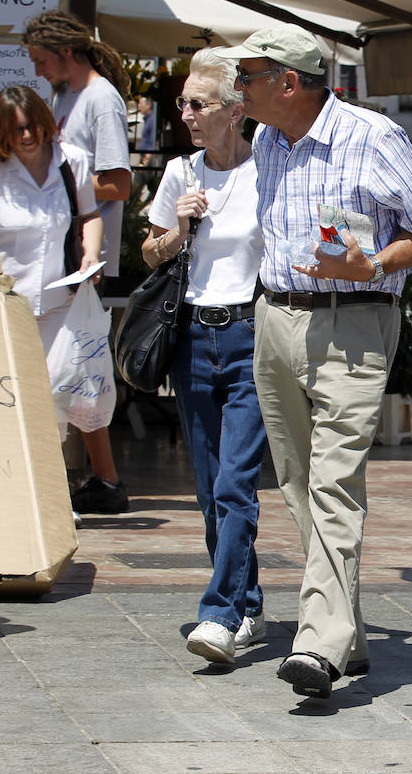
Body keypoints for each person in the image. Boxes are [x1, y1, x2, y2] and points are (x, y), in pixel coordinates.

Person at [218, 25, 412, 699]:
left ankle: (317, 646)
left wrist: (372, 261)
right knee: (296, 481)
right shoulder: (266, 140)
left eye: (249, 76)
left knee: (334, 482)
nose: (240, 88)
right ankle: (345, 625)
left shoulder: (372, 137)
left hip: (353, 324)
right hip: (276, 316)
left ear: (289, 83)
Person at [141, 49, 267, 666]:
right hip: (192, 337)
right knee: (206, 488)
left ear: (235, 110)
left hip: (251, 335)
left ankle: (219, 612)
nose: (185, 112)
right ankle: (247, 601)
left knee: (235, 484)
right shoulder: (181, 173)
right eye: (183, 103)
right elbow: (148, 254)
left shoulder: (268, 168)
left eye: (198, 103)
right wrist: (179, 231)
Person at [23, 9, 134, 515]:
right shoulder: (65, 96)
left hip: (83, 256)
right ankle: (101, 477)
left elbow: (119, 182)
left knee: (72, 365)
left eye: (42, 61)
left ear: (67, 52)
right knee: (75, 366)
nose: (39, 72)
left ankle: (91, 475)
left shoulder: (101, 99)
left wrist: (54, 191)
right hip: (58, 251)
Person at [0, 86, 104, 390]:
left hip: (59, 303)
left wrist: (89, 254)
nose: (27, 135)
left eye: (33, 126)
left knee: (54, 394)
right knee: (5, 393)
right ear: (1, 131)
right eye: (17, 130)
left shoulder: (72, 162)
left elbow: (90, 215)